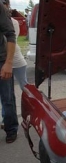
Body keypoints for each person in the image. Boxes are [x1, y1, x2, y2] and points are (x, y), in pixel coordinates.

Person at [1, 0, 28, 128]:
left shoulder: (13, 22)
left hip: (16, 60)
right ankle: (5, 120)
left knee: (24, 88)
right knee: (7, 95)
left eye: (5, 3)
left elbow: (11, 37)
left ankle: (29, 112)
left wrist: (8, 62)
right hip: (9, 60)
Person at [0, 0, 18, 143]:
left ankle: (11, 129)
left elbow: (10, 35)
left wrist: (8, 63)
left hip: (1, 61)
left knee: (7, 99)